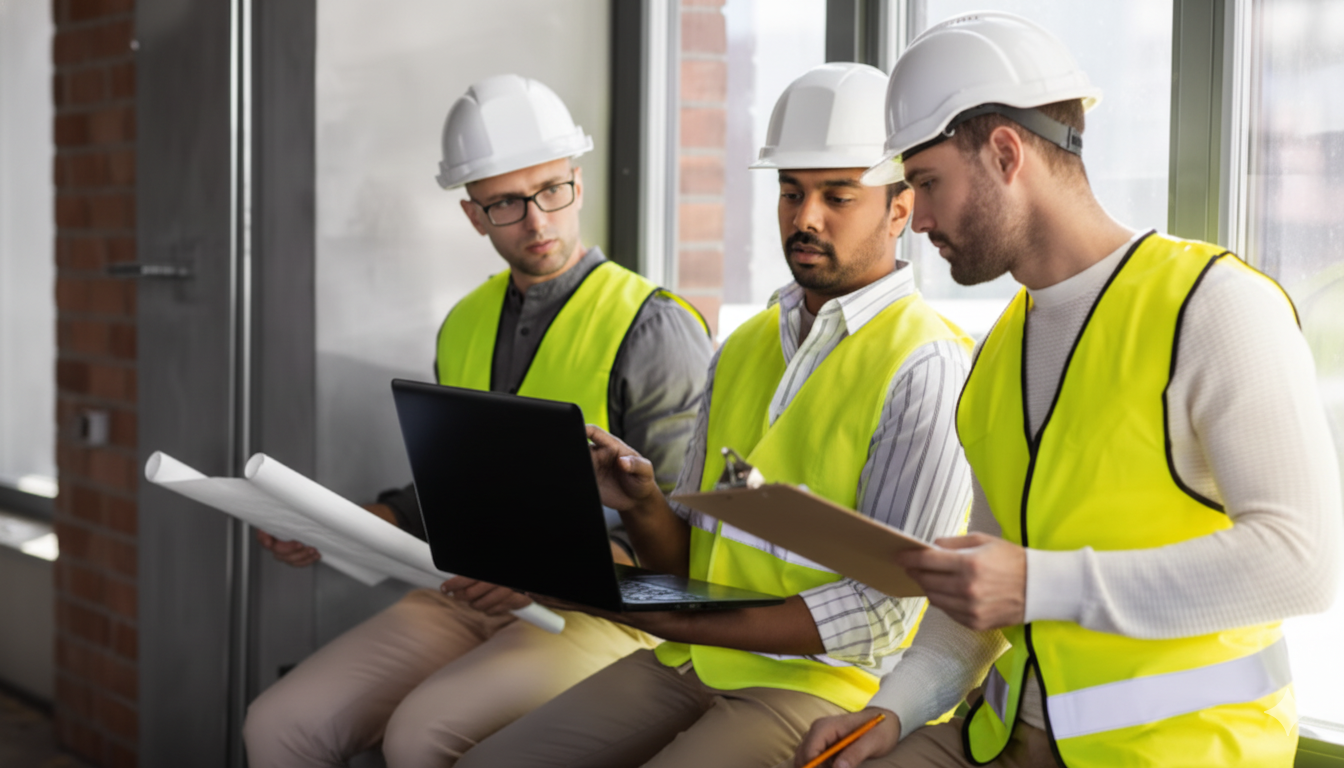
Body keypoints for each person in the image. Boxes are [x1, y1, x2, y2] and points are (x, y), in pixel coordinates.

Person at [795, 13, 1342, 768]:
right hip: (1001, 741)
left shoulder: (1212, 307)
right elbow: (982, 609)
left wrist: (1040, 583)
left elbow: (1302, 563)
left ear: (1006, 153)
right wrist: (886, 713)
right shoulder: (998, 353)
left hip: (1178, 752)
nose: (915, 219)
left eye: (927, 183)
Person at [453, 62, 974, 768]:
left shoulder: (928, 364)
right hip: (696, 657)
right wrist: (641, 504)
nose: (805, 217)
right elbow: (689, 559)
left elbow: (883, 617)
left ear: (900, 209)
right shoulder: (745, 345)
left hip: (832, 685)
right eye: (791, 192)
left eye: (838, 196)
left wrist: (668, 613)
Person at [242, 74, 714, 767]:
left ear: (578, 183)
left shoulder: (655, 328)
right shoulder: (464, 323)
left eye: (553, 190)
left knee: (421, 733)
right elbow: (459, 488)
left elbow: (685, 545)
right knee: (280, 722)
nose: (538, 221)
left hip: (602, 609)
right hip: (468, 590)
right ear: (473, 215)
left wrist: (549, 569)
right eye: (506, 204)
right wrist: (352, 524)